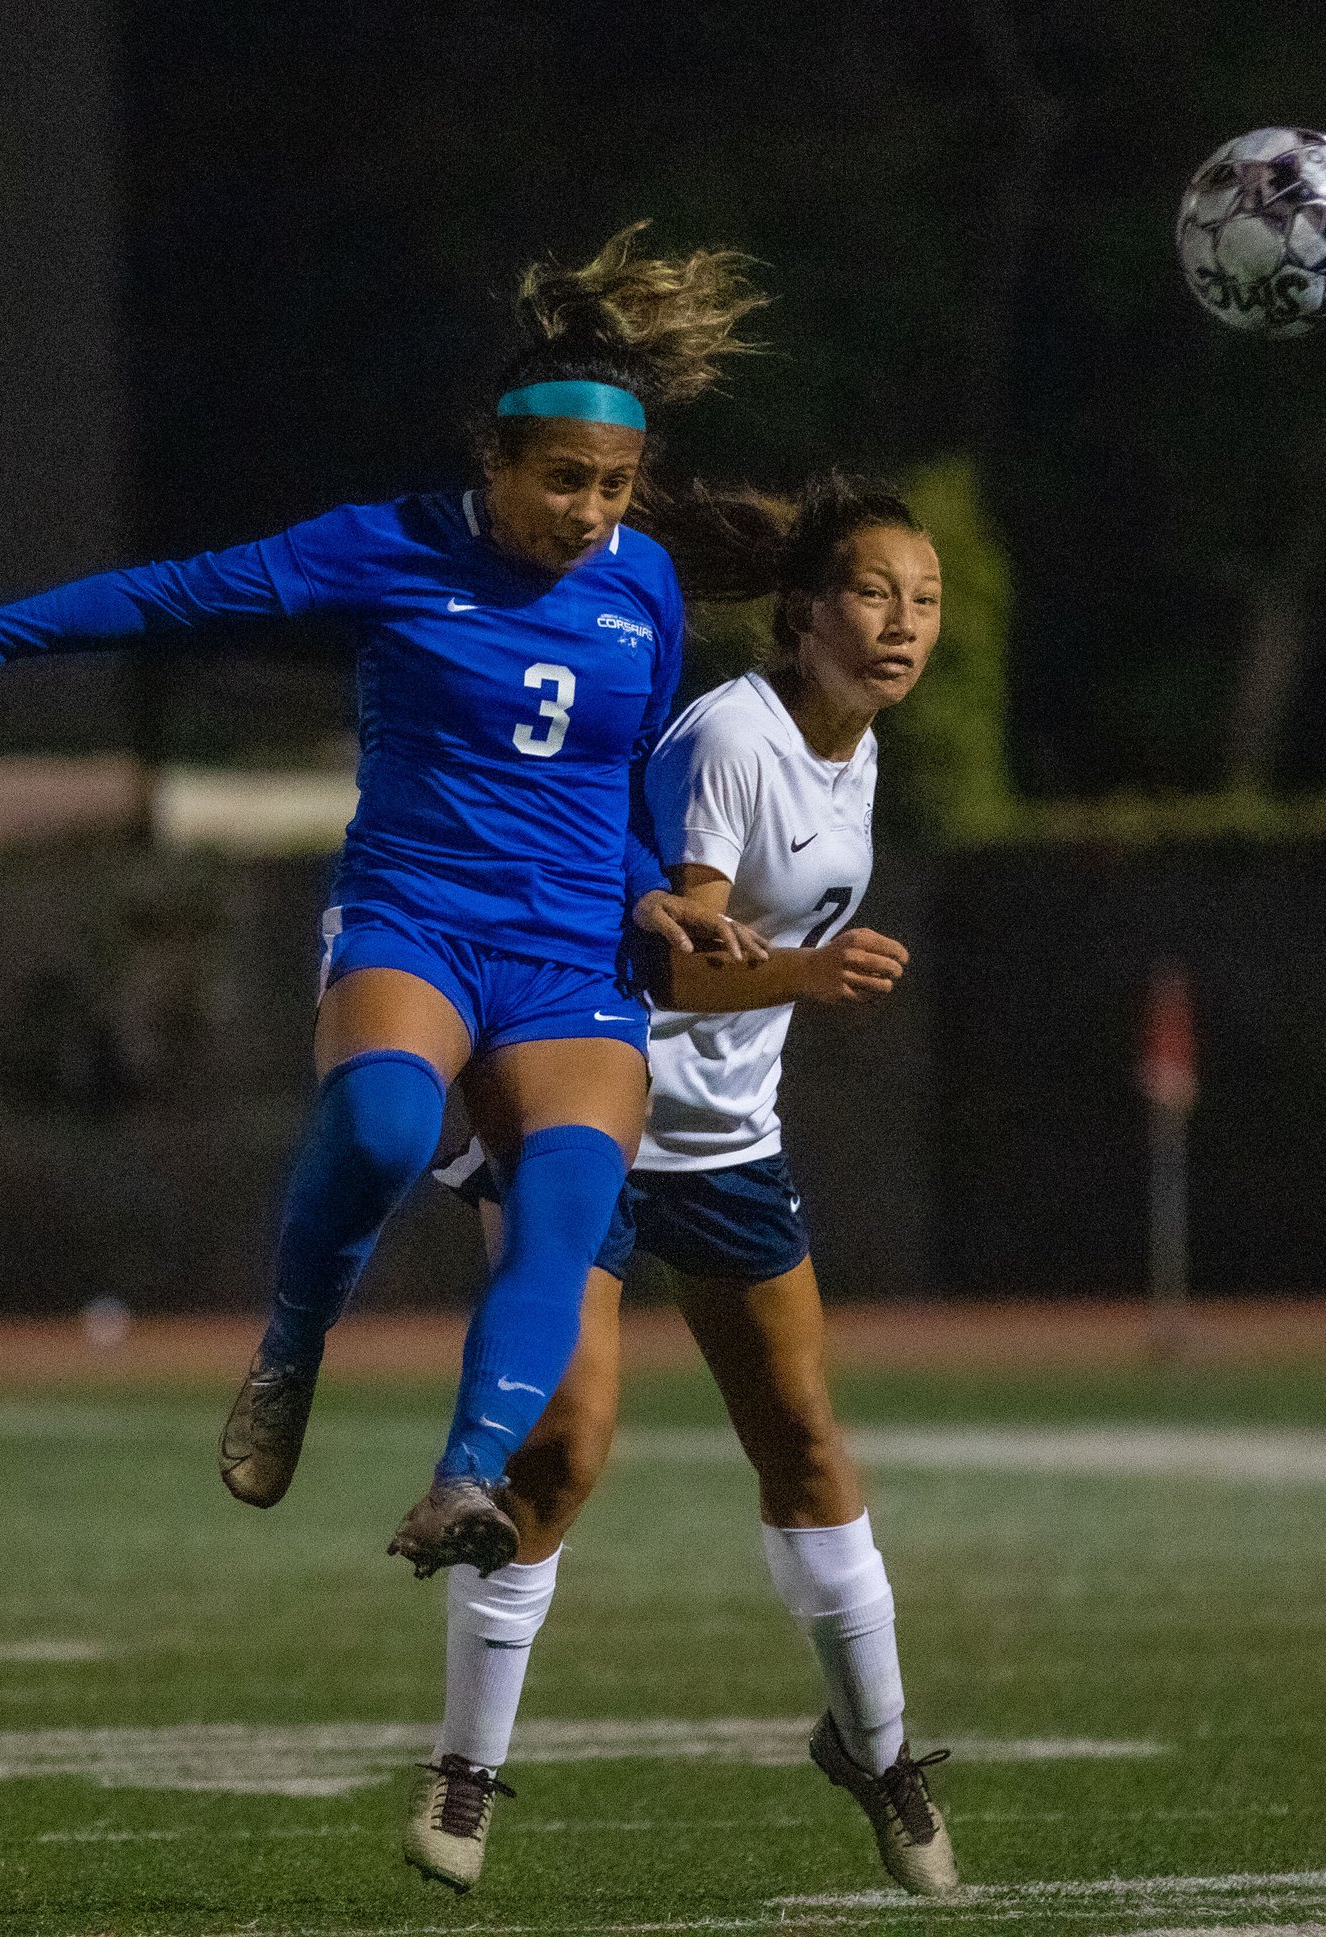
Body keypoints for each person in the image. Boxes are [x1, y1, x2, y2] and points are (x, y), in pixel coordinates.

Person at [0, 224, 773, 1580]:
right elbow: (171, 595)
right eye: (564, 480)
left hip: (574, 952)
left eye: (616, 485)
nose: (592, 511)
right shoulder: (383, 549)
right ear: (492, 465)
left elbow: (617, 777)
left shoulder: (644, 583)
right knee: (386, 1127)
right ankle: (290, 1347)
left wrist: (656, 891)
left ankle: (461, 1479)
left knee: (566, 1202)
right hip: (418, 912)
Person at [399, 477, 956, 1900]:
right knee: (564, 1453)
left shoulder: (860, 748)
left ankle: (879, 1753)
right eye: (876, 592)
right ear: (802, 611)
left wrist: (786, 988)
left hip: (723, 1138)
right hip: (591, 1102)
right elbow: (673, 958)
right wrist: (804, 974)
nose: (905, 622)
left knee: (810, 1449)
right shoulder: (732, 737)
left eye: (926, 597)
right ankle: (463, 1770)